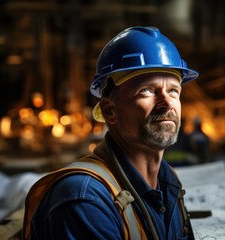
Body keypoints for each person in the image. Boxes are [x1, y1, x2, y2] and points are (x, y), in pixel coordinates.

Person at [25, 26, 199, 240]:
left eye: (173, 90)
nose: (166, 103)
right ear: (109, 110)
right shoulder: (85, 199)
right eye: (147, 90)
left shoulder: (168, 181)